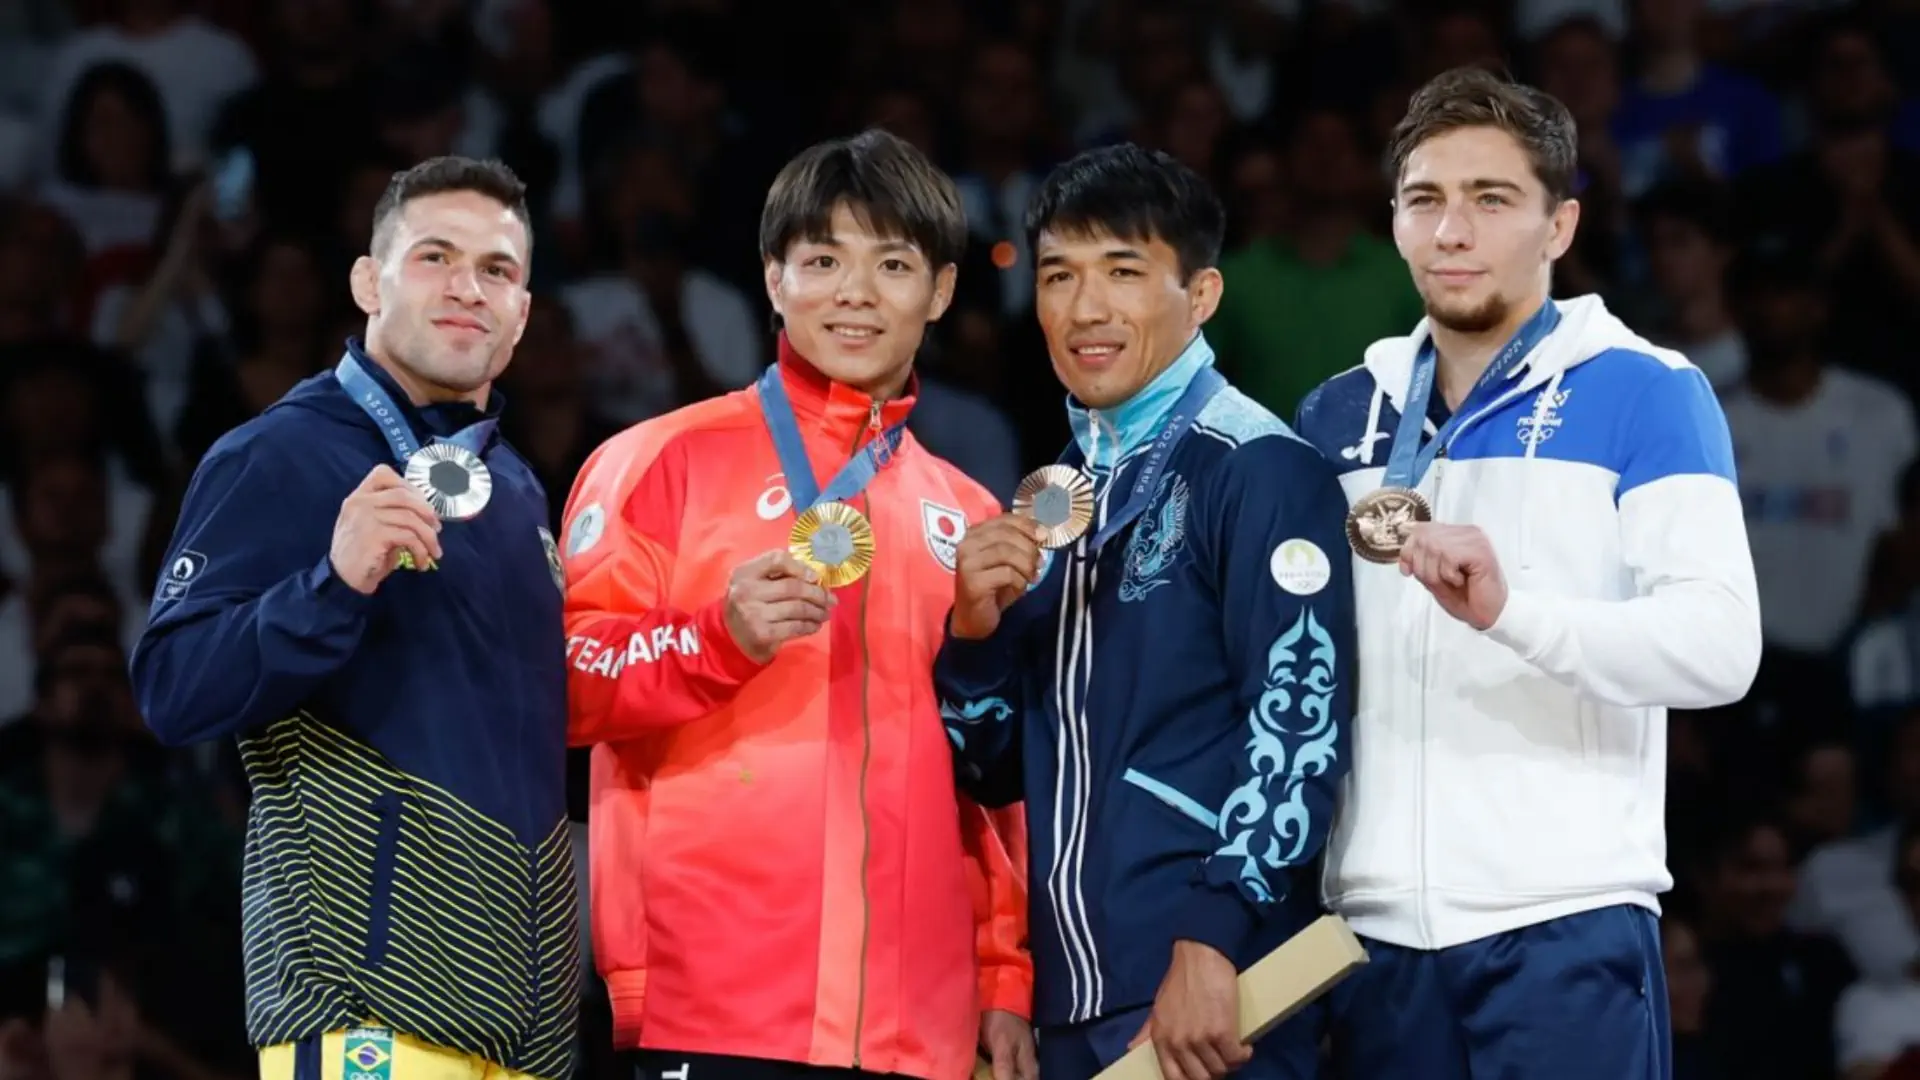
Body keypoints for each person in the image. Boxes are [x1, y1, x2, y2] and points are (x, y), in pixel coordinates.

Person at [1292, 66, 1762, 1079]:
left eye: (1491, 199)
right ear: (1397, 222)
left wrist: (1516, 616)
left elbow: (1721, 649)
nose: (1453, 230)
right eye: (1426, 201)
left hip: (1563, 927)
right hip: (1369, 943)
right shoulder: (1337, 414)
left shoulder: (1647, 391)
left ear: (1560, 226)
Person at [559, 128, 1034, 1080]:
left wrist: (1000, 979)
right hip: (713, 1007)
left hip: (921, 1028)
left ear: (939, 292)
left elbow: (987, 783)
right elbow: (562, 688)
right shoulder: (661, 461)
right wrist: (715, 638)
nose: (854, 293)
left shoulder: (967, 512)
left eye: (892, 264)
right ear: (773, 279)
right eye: (822, 260)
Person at [128, 156, 579, 1080]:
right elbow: (172, 690)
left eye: (497, 269)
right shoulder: (275, 456)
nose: (467, 288)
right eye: (434, 257)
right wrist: (330, 585)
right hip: (366, 1020)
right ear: (368, 281)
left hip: (532, 1033)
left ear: (522, 312)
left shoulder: (518, 489)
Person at [932, 143, 1357, 1080]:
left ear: (1199, 295)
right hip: (1075, 1003)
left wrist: (1211, 943)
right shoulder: (1058, 498)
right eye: (1059, 276)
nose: (1086, 309)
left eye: (1124, 273)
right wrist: (974, 639)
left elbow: (1301, 721)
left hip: (1210, 995)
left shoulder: (1256, 465)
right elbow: (993, 772)